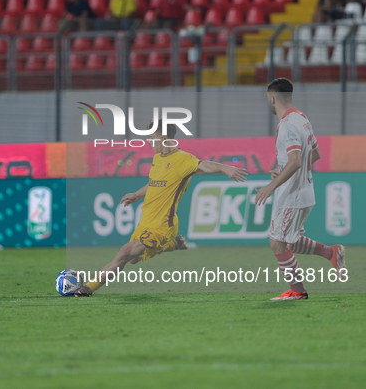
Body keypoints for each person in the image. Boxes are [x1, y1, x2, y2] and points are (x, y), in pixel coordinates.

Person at [74, 122, 248, 296]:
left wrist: (225, 167)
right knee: (133, 259)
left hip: (163, 225)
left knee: (124, 254)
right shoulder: (158, 158)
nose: (148, 141)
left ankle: (88, 288)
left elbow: (204, 165)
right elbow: (154, 183)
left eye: (151, 138)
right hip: (146, 221)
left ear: (163, 139)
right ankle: (173, 245)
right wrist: (137, 194)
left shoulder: (183, 159)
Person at [255, 78, 346, 301]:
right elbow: (314, 154)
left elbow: (296, 161)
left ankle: (297, 291)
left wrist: (272, 185)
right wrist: (283, 169)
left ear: (272, 98)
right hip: (305, 191)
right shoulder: (302, 119)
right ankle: (331, 252)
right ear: (291, 97)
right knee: (291, 241)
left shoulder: (287, 125)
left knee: (277, 242)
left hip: (291, 195)